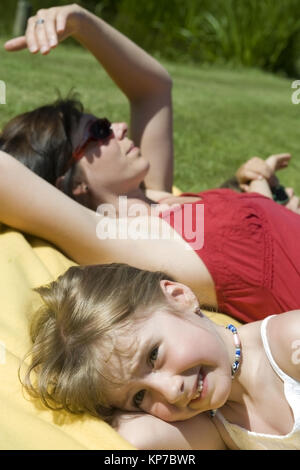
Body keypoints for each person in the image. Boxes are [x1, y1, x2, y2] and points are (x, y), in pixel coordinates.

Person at [2, 3, 300, 323]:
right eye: (100, 131)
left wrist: (80, 21)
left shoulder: (156, 195)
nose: (119, 127)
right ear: (72, 182)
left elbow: (152, 89)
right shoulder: (125, 240)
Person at [20, 262, 300, 450]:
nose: (170, 391)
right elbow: (138, 441)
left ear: (180, 297)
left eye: (153, 356)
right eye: (139, 397)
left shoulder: (286, 343)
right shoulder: (216, 425)